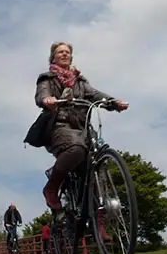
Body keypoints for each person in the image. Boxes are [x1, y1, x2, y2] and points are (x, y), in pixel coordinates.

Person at [35, 41, 129, 221]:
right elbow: (42, 94)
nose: (64, 54)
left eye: (67, 52)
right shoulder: (47, 78)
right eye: (60, 52)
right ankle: (51, 188)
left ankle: (96, 222)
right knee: (76, 149)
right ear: (53, 57)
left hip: (83, 126)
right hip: (60, 126)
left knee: (95, 168)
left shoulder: (80, 81)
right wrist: (47, 100)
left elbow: (95, 94)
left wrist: (113, 102)